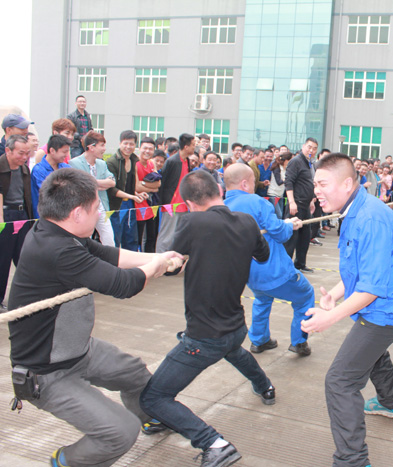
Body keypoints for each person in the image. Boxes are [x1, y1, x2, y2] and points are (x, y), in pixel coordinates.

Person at [8, 168, 181, 467]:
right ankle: (65, 461)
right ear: (77, 213)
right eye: (96, 208)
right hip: (46, 372)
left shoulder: (58, 232)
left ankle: (151, 416)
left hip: (78, 350)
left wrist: (160, 257)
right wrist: (157, 267)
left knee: (136, 375)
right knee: (120, 432)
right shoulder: (57, 249)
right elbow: (123, 284)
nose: (99, 213)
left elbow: (110, 255)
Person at [139, 170, 273, 467]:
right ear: (219, 190)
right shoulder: (247, 222)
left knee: (153, 398)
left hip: (204, 337)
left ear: (189, 203)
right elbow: (262, 256)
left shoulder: (192, 222)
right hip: (235, 328)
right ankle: (265, 385)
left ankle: (214, 443)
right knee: (233, 351)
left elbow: (173, 262)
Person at [302, 153, 393, 467]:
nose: (317, 191)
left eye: (323, 184)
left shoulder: (369, 218)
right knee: (371, 351)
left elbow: (371, 288)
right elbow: (360, 270)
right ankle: (390, 401)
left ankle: (352, 460)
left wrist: (330, 317)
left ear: (347, 184)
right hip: (387, 306)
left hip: (388, 309)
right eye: (315, 184)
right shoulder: (354, 211)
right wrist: (335, 295)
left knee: (340, 381)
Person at [223, 164, 314, 356]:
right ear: (245, 183)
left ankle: (259, 340)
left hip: (249, 273)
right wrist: (289, 225)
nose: (255, 185)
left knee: (262, 299)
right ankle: (299, 341)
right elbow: (280, 233)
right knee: (306, 295)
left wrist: (284, 224)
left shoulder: (222, 207)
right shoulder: (257, 202)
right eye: (253, 182)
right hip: (275, 271)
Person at [0, 135, 33, 311]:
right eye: (21, 153)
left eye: (27, 153)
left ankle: (25, 297)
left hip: (23, 215)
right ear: (8, 150)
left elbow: (28, 196)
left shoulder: (24, 169)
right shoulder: (1, 166)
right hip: (6, 215)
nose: (24, 157)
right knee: (3, 260)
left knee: (24, 258)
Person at [69, 131, 116, 247]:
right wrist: (100, 184)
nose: (104, 149)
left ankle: (111, 257)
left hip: (100, 204)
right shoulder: (74, 163)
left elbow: (112, 182)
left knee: (109, 237)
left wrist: (91, 182)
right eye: (102, 145)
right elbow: (79, 185)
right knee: (84, 237)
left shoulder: (102, 164)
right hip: (83, 206)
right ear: (91, 147)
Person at [106, 130, 148, 250]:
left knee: (131, 239)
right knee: (115, 239)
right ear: (120, 143)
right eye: (125, 143)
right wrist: (131, 196)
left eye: (131, 144)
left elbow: (129, 186)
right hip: (116, 206)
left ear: (135, 145)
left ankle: (131, 261)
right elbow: (111, 190)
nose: (128, 147)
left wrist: (137, 194)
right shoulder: (112, 162)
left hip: (130, 204)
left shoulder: (134, 160)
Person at [284, 137, 318, 272]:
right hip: (296, 204)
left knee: (305, 237)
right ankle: (286, 267)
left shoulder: (310, 163)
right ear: (303, 146)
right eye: (309, 147)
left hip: (306, 205)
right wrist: (291, 202)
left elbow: (308, 183)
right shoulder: (296, 161)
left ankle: (300, 264)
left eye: (314, 148)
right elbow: (289, 182)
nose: (311, 150)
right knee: (291, 238)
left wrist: (311, 201)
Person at [156, 133, 194, 253]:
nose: (194, 148)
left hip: (183, 204)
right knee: (166, 236)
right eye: (193, 145)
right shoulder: (172, 161)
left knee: (178, 235)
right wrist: (163, 202)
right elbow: (163, 182)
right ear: (186, 147)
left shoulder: (187, 161)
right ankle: (160, 257)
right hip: (171, 205)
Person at [31, 135, 72, 218]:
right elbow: (47, 193)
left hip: (64, 215)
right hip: (45, 216)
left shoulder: (66, 168)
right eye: (64, 152)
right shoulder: (39, 170)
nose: (66, 155)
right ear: (52, 150)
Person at [134, 137, 160, 252]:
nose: (147, 151)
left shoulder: (152, 163)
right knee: (138, 237)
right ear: (139, 148)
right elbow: (136, 187)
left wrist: (143, 184)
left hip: (151, 204)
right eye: (145, 148)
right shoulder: (135, 163)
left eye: (150, 149)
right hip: (138, 204)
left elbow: (158, 184)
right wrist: (151, 187)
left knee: (152, 236)